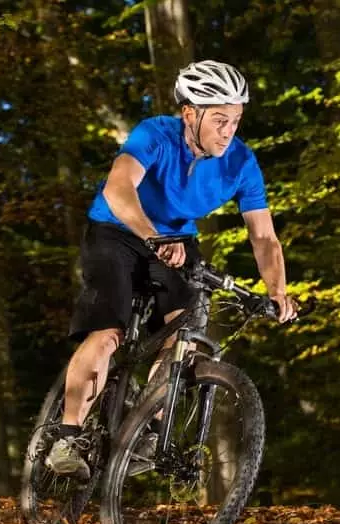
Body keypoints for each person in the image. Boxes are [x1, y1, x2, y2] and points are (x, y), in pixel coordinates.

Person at [44, 60, 298, 480]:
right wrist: (150, 236)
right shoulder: (155, 134)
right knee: (108, 335)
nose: (228, 130)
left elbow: (264, 237)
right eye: (219, 119)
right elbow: (118, 186)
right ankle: (67, 437)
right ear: (190, 114)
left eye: (235, 119)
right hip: (118, 229)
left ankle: (149, 424)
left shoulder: (241, 162)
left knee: (186, 336)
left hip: (176, 242)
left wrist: (277, 291)